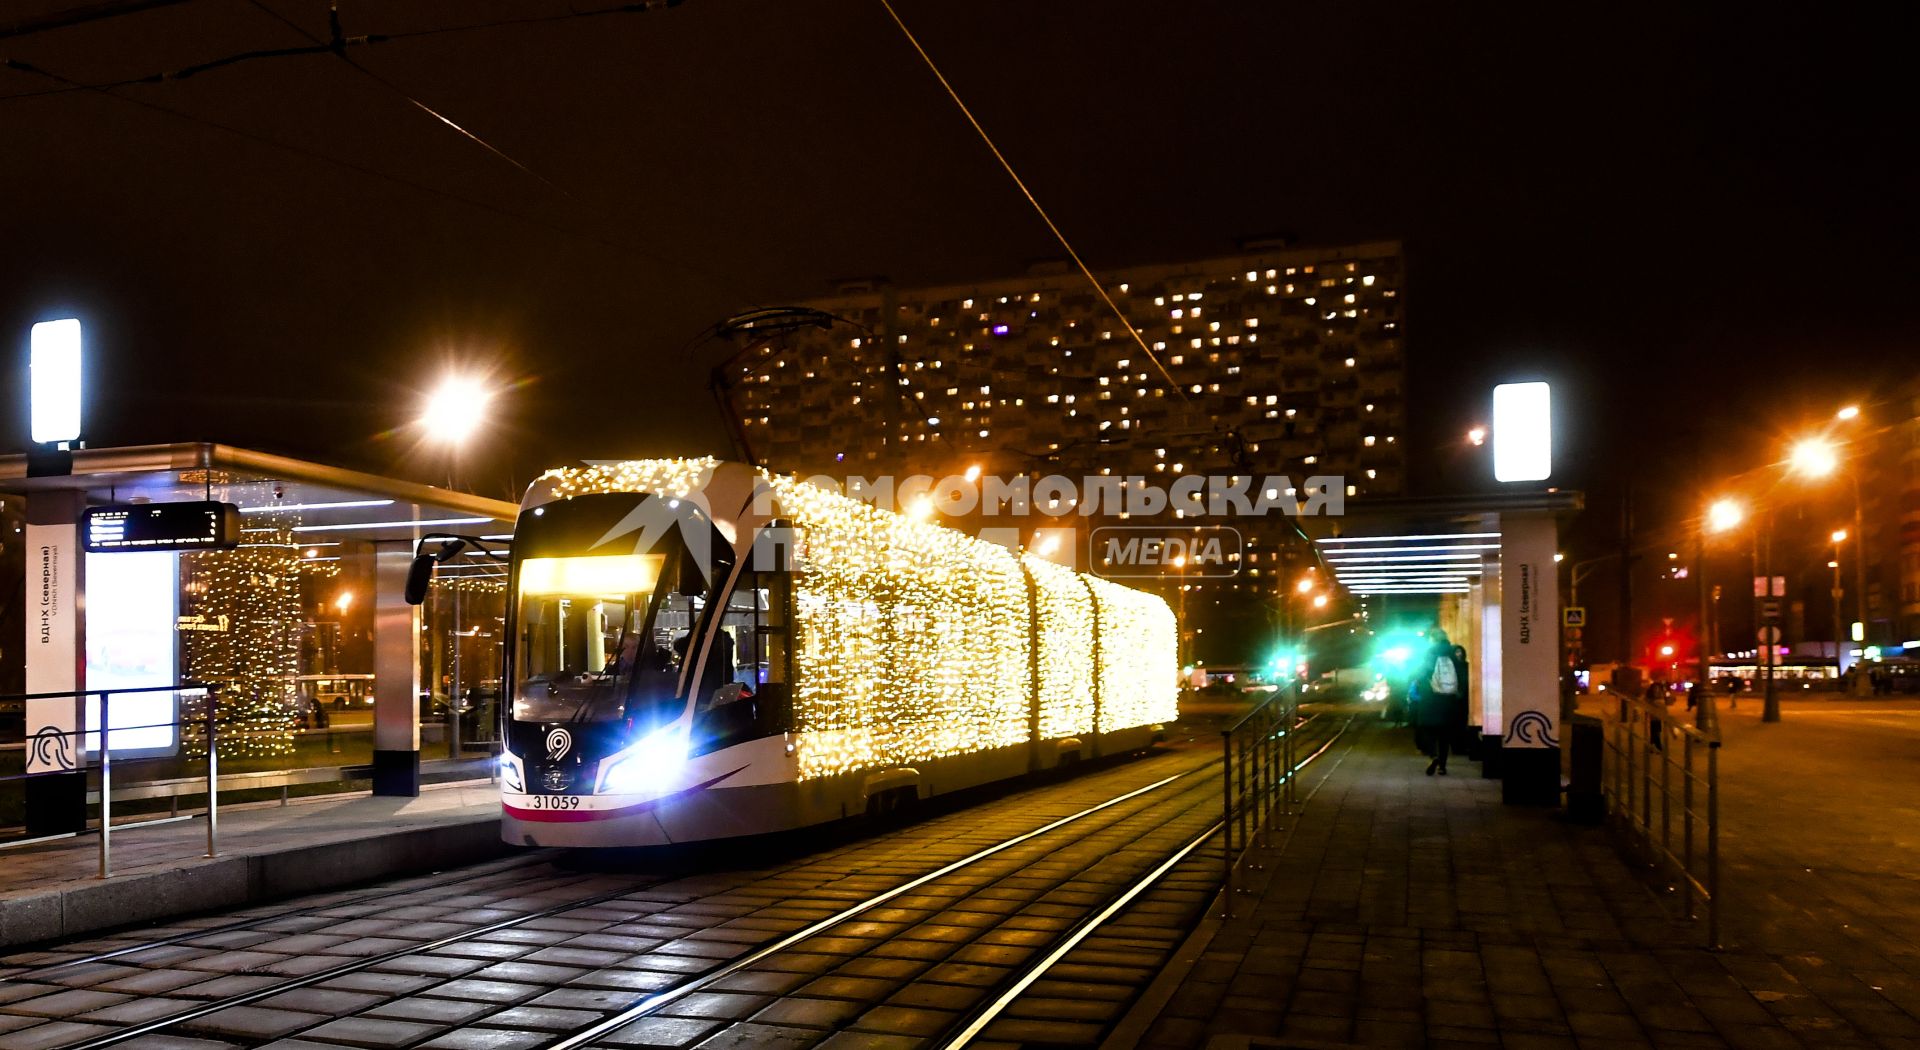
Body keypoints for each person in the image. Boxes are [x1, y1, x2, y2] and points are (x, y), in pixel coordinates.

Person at [1411, 630, 1468, 775]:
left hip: (1431, 699)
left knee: (1427, 729)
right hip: (1449, 700)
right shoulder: (1454, 651)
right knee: (1445, 734)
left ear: (1433, 639)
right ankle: (1442, 766)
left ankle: (1433, 755)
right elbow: (1463, 673)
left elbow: (1422, 673)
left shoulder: (1429, 652)